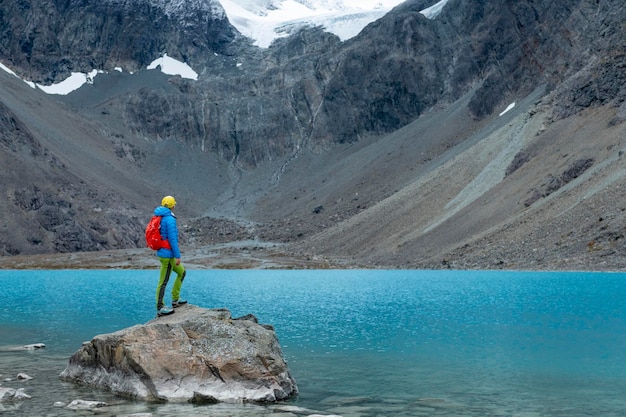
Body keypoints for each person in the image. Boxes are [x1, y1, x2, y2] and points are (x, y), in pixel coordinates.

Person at [153, 195, 187, 316]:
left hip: (165, 253)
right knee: (163, 281)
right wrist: (178, 255)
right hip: (168, 255)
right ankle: (160, 307)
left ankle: (175, 299)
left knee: (182, 272)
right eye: (174, 204)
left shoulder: (159, 216)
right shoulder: (170, 219)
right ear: (172, 205)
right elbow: (173, 239)